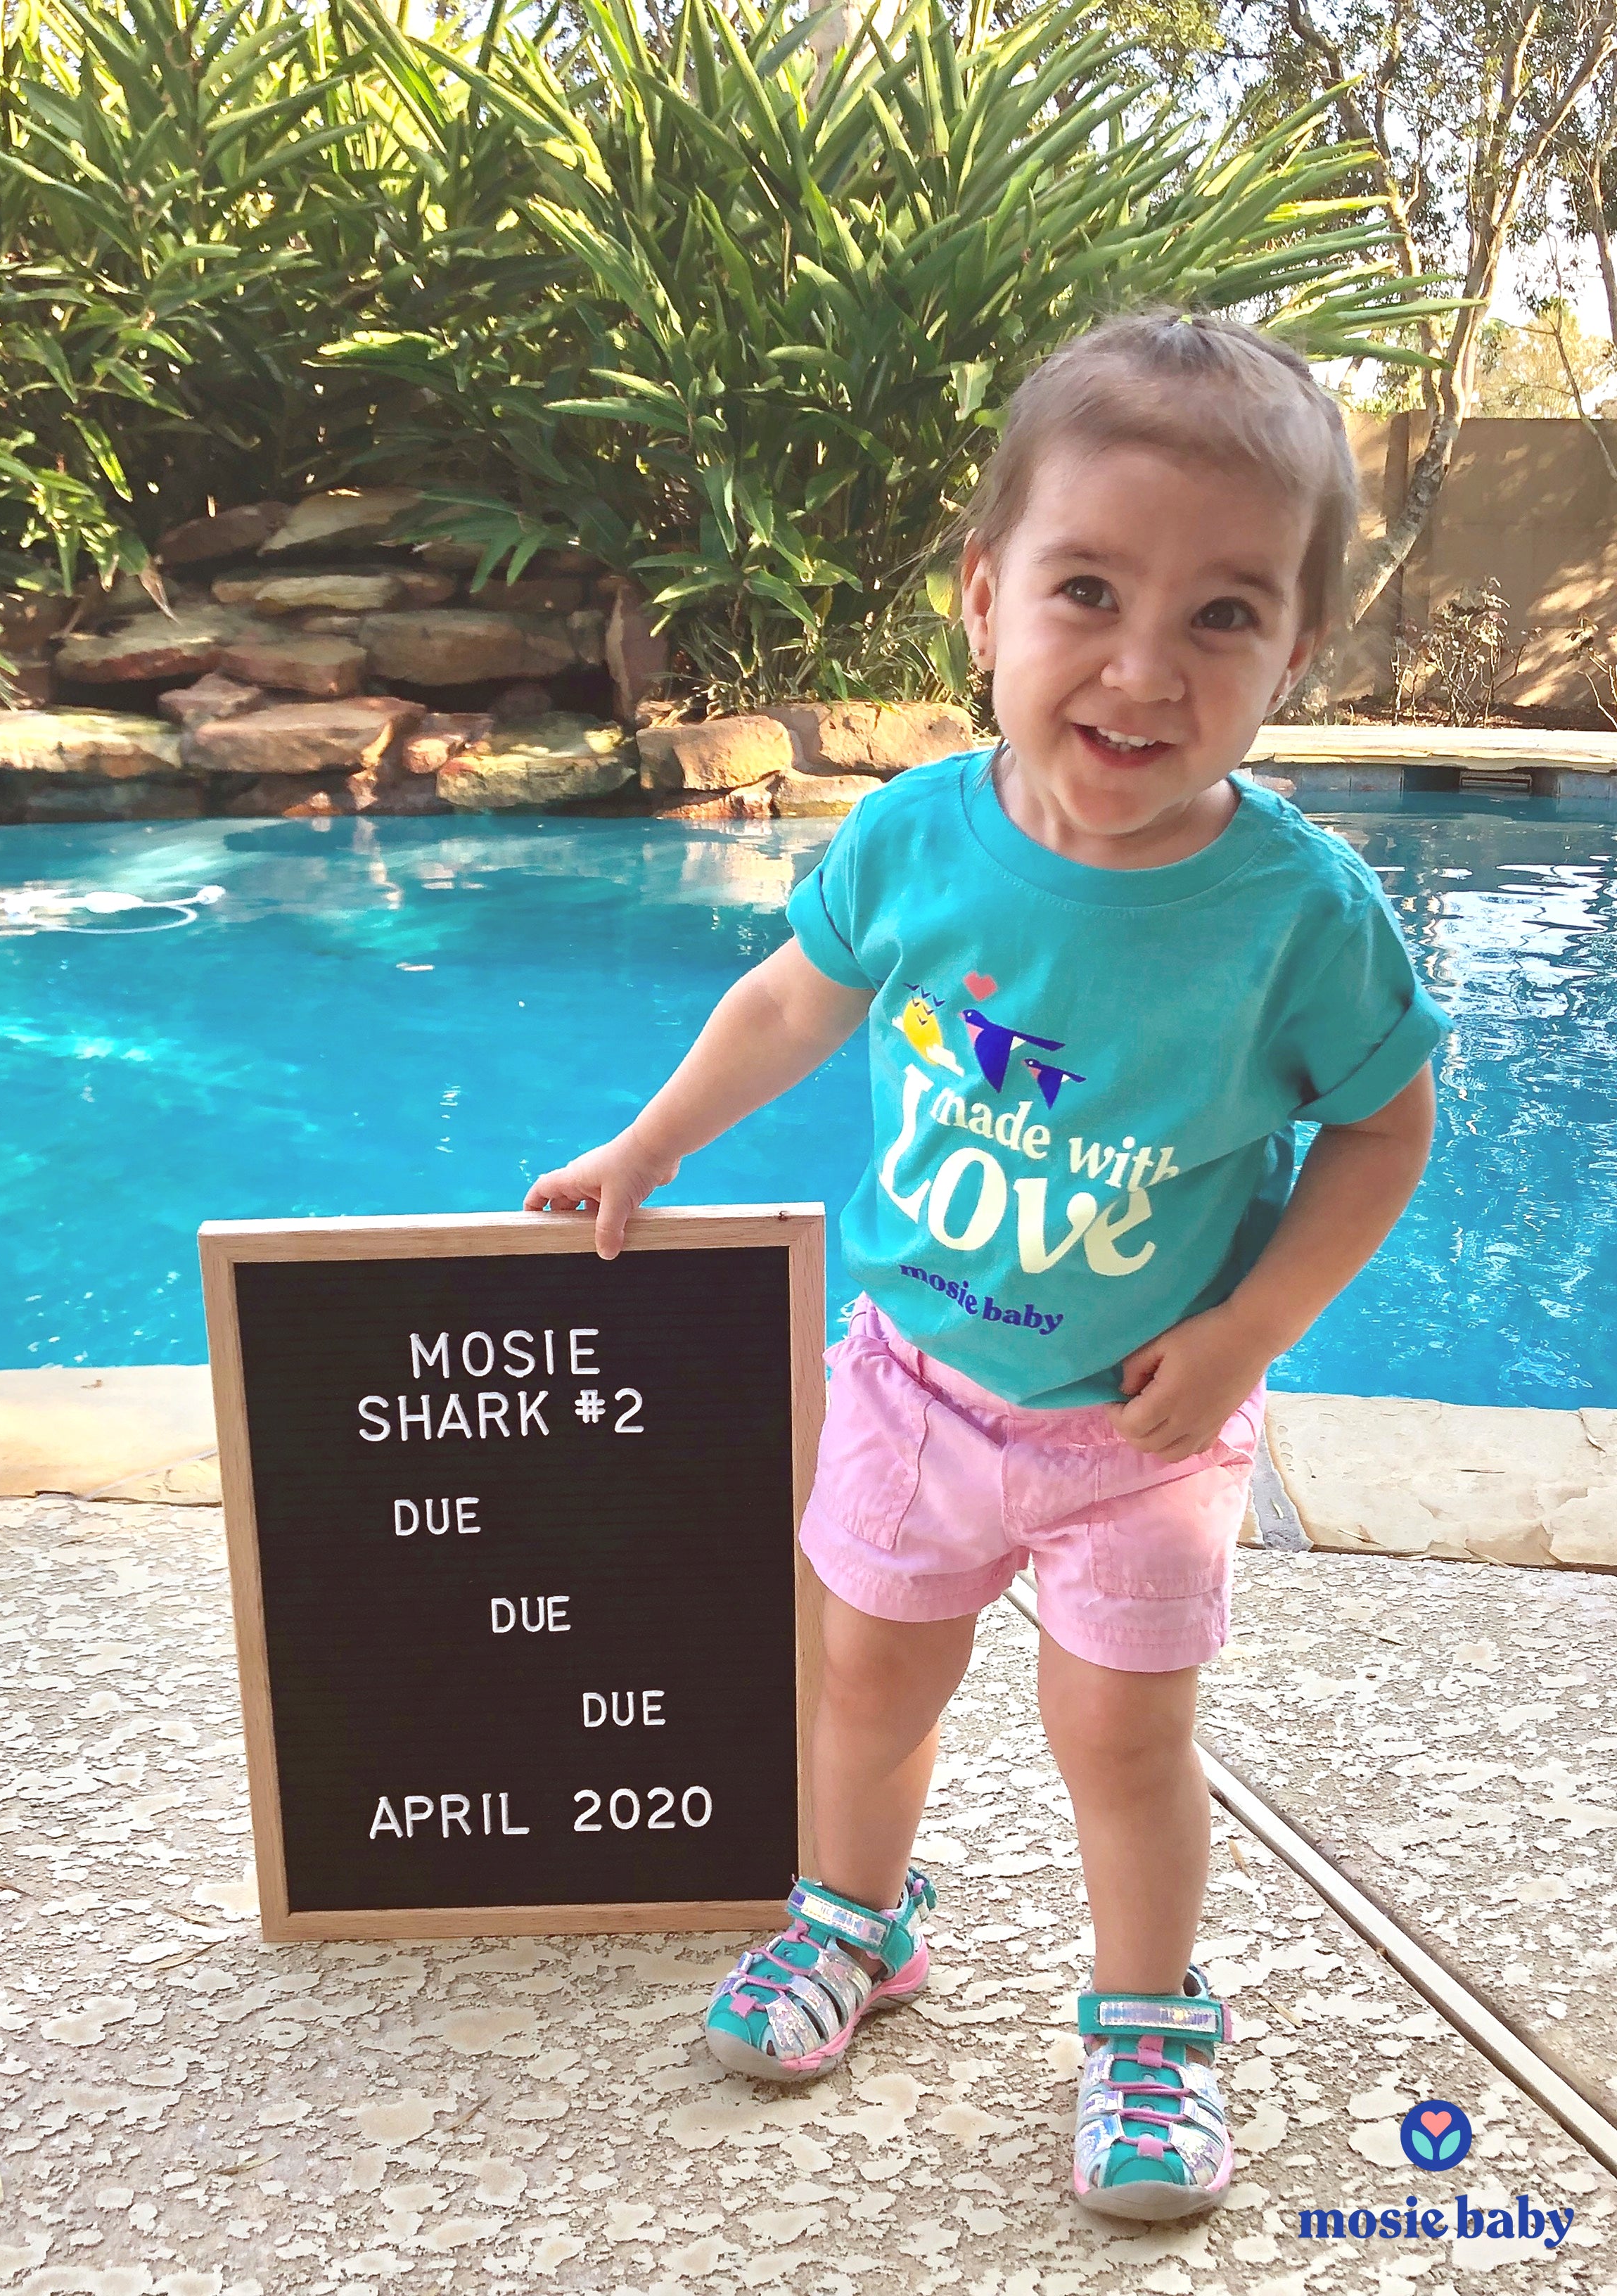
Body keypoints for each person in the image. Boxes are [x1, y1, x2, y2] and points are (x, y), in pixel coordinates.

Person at [523, 307, 1448, 2221]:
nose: (1142, 664)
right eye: (1088, 588)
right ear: (982, 598)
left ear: (1298, 648)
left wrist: (1254, 1328)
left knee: (1123, 1731)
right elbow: (796, 999)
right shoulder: (921, 839)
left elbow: (1384, 1125)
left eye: (1223, 614)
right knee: (866, 1679)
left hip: (1141, 1425)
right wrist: (653, 1142)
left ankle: (1144, 2017)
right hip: (913, 1384)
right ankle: (859, 1923)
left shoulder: (1300, 917)